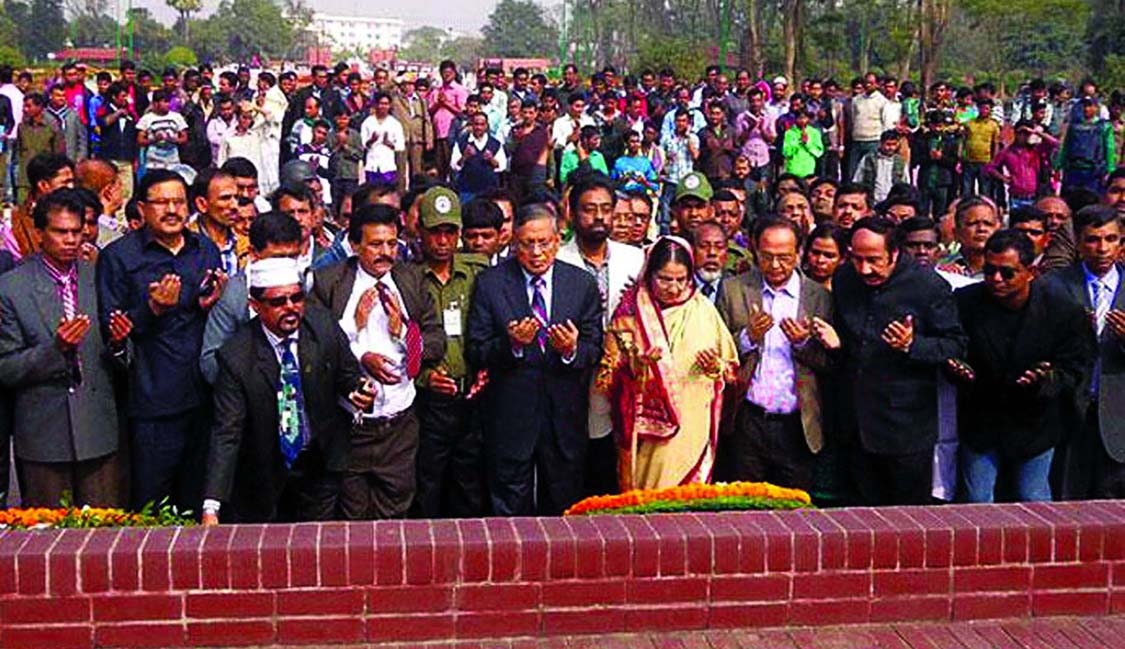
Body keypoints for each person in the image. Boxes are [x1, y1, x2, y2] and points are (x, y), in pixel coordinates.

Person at [202, 257, 375, 524]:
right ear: (255, 306)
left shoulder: (323, 327)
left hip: (320, 463)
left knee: (315, 548)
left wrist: (360, 392)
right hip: (263, 472)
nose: (291, 308)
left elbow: (349, 377)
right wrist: (211, 506)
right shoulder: (235, 356)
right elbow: (227, 431)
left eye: (296, 298)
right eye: (278, 302)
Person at [95, 169, 228, 512]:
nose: (172, 210)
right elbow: (112, 331)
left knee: (200, 502)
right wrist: (152, 309)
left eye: (178, 202)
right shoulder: (119, 257)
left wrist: (211, 306)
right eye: (161, 202)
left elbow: (216, 320)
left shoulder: (205, 250)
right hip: (152, 400)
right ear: (141, 209)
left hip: (204, 396)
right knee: (152, 505)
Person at [813, 217, 966, 506]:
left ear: (894, 253)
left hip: (904, 426)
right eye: (857, 259)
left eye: (874, 260)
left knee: (904, 517)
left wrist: (912, 345)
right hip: (854, 420)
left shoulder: (928, 286)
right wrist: (836, 344)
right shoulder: (846, 278)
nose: (865, 269)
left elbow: (955, 344)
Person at [466, 204, 603, 515]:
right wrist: (511, 345)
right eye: (528, 243)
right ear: (514, 243)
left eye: (544, 242)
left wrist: (571, 350)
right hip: (511, 415)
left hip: (563, 415)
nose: (537, 252)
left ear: (557, 240)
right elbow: (476, 349)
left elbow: (595, 348)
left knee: (564, 505)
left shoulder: (580, 284)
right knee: (509, 509)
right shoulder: (491, 283)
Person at [310, 203, 445, 519]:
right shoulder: (328, 283)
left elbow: (435, 342)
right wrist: (353, 335)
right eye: (375, 244)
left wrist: (403, 334)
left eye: (391, 243)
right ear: (355, 245)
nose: (386, 252)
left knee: (394, 517)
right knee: (352, 519)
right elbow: (313, 349)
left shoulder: (411, 281)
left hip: (399, 425)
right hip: (350, 426)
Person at [0, 189, 129, 507]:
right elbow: (6, 368)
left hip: (99, 430)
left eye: (77, 231)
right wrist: (55, 349)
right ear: (40, 233)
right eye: (61, 232)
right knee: (48, 540)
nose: (71, 239)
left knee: (104, 539)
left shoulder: (99, 276)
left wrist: (119, 343)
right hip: (44, 436)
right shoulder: (12, 288)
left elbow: (123, 356)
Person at [949, 230, 1089, 503]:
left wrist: (1048, 379)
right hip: (982, 420)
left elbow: (1074, 366)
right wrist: (955, 367)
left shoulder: (1062, 310)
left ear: (1030, 272)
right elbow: (951, 345)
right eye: (989, 270)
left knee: (1034, 499)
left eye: (1007, 272)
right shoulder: (965, 301)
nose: (996, 279)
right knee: (978, 502)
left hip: (1036, 422)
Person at [596, 235, 737, 490]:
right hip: (645, 428)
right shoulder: (629, 313)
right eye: (665, 279)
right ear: (650, 274)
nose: (673, 288)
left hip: (693, 420)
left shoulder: (703, 309)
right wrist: (637, 368)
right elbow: (607, 375)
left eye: (681, 280)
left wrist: (715, 367)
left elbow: (729, 368)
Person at [717, 218, 833, 491]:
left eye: (784, 257)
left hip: (797, 421)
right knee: (747, 506)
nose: (776, 265)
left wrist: (803, 344)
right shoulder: (735, 290)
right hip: (749, 418)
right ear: (755, 250)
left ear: (799, 253)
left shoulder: (819, 297)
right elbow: (718, 352)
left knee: (793, 510)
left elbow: (831, 362)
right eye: (767, 257)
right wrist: (748, 338)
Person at [556, 174, 645, 496]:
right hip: (569, 378)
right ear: (572, 212)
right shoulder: (556, 259)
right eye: (589, 209)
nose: (598, 217)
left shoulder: (634, 259)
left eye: (606, 209)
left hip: (622, 382)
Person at [413, 187, 489, 517]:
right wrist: (426, 378)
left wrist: (488, 369)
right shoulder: (409, 279)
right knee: (429, 483)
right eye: (435, 232)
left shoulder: (477, 272)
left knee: (470, 483)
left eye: (450, 232)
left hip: (472, 396)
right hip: (429, 402)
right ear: (420, 232)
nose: (442, 241)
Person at [1045, 205, 1125, 499]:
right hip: (1068, 413)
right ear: (1078, 243)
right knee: (1067, 503)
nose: (1102, 248)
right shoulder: (1054, 286)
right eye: (1092, 240)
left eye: (1110, 239)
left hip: (1118, 420)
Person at [200, 211, 303, 384]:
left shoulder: (304, 283)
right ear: (254, 253)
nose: (285, 266)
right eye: (277, 258)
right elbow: (210, 364)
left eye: (292, 257)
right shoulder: (233, 297)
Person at [1056, 97, 1115, 194]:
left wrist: (1110, 170)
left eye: (1090, 106)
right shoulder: (1074, 126)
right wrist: (1058, 166)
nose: (1086, 109)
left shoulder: (1104, 126)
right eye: (1085, 105)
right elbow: (1065, 147)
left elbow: (1109, 148)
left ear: (1096, 108)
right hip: (1073, 171)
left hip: (1093, 173)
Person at [451, 112, 507, 203]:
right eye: (476, 124)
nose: (479, 127)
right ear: (472, 124)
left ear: (486, 126)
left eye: (482, 124)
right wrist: (465, 156)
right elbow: (454, 166)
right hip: (467, 190)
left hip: (489, 190)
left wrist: (491, 159)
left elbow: (501, 166)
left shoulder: (495, 143)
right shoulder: (462, 142)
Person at [136, 90, 188, 173]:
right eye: (165, 102)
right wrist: (154, 139)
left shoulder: (177, 117)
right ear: (155, 104)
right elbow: (140, 140)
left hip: (173, 162)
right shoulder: (146, 118)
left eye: (168, 102)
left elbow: (184, 138)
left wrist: (173, 139)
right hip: (153, 164)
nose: (168, 105)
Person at [360, 92, 406, 186]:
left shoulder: (394, 123)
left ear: (389, 105)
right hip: (372, 165)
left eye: (386, 104)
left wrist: (388, 143)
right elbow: (362, 144)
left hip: (387, 165)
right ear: (376, 104)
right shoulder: (368, 122)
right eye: (381, 103)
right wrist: (372, 140)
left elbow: (400, 146)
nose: (383, 106)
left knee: (387, 192)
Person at [852, 130, 909, 203]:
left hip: (892, 200)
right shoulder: (869, 159)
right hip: (872, 200)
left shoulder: (900, 162)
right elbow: (858, 179)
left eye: (894, 144)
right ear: (881, 143)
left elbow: (905, 182)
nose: (891, 148)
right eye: (888, 144)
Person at [802, 222, 849, 290]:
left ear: (842, 259)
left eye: (829, 256)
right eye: (815, 253)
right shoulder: (795, 286)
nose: (820, 260)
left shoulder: (847, 291)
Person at [781, 108, 823, 178]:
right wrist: (798, 142)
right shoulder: (789, 133)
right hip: (793, 170)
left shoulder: (814, 132)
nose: (802, 121)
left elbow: (818, 153)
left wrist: (807, 143)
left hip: (808, 171)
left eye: (804, 118)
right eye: (799, 118)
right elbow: (786, 153)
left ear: (808, 119)